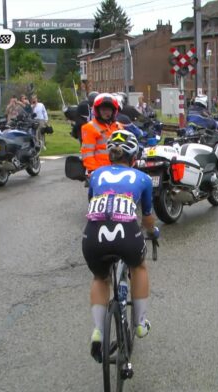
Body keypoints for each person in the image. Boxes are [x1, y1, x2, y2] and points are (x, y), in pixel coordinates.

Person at [83, 129, 159, 363]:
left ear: (110, 155)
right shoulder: (143, 178)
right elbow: (147, 218)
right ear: (134, 156)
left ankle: (98, 329)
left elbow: (93, 204)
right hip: (126, 232)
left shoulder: (95, 174)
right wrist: (152, 232)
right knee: (139, 268)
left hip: (93, 235)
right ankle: (140, 322)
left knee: (100, 278)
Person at [80, 93, 122, 173]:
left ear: (113, 111)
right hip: (100, 171)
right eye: (103, 109)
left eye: (109, 109)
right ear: (97, 110)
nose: (106, 112)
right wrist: (94, 171)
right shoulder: (89, 127)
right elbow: (87, 153)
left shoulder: (118, 126)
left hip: (118, 169)